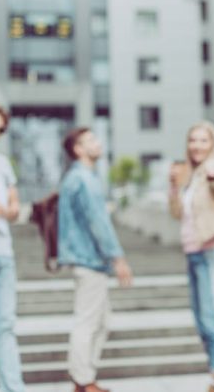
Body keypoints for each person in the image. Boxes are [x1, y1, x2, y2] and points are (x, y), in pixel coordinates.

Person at [58, 127, 133, 392]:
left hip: (88, 259)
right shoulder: (83, 179)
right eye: (90, 140)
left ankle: (84, 377)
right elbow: (98, 222)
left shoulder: (80, 177)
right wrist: (118, 258)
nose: (97, 143)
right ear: (78, 149)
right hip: (87, 259)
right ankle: (83, 381)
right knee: (88, 322)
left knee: (101, 322)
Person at [169, 121, 214, 392]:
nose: (196, 145)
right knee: (202, 321)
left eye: (203, 140)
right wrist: (173, 186)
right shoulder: (189, 175)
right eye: (192, 140)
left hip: (211, 253)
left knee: (213, 320)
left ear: (213, 143)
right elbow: (176, 214)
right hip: (193, 254)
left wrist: (213, 175)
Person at [0, 103, 26, 392]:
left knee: (4, 326)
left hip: (3, 252)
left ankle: (13, 388)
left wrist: (9, 210)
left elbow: (15, 208)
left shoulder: (3, 164)